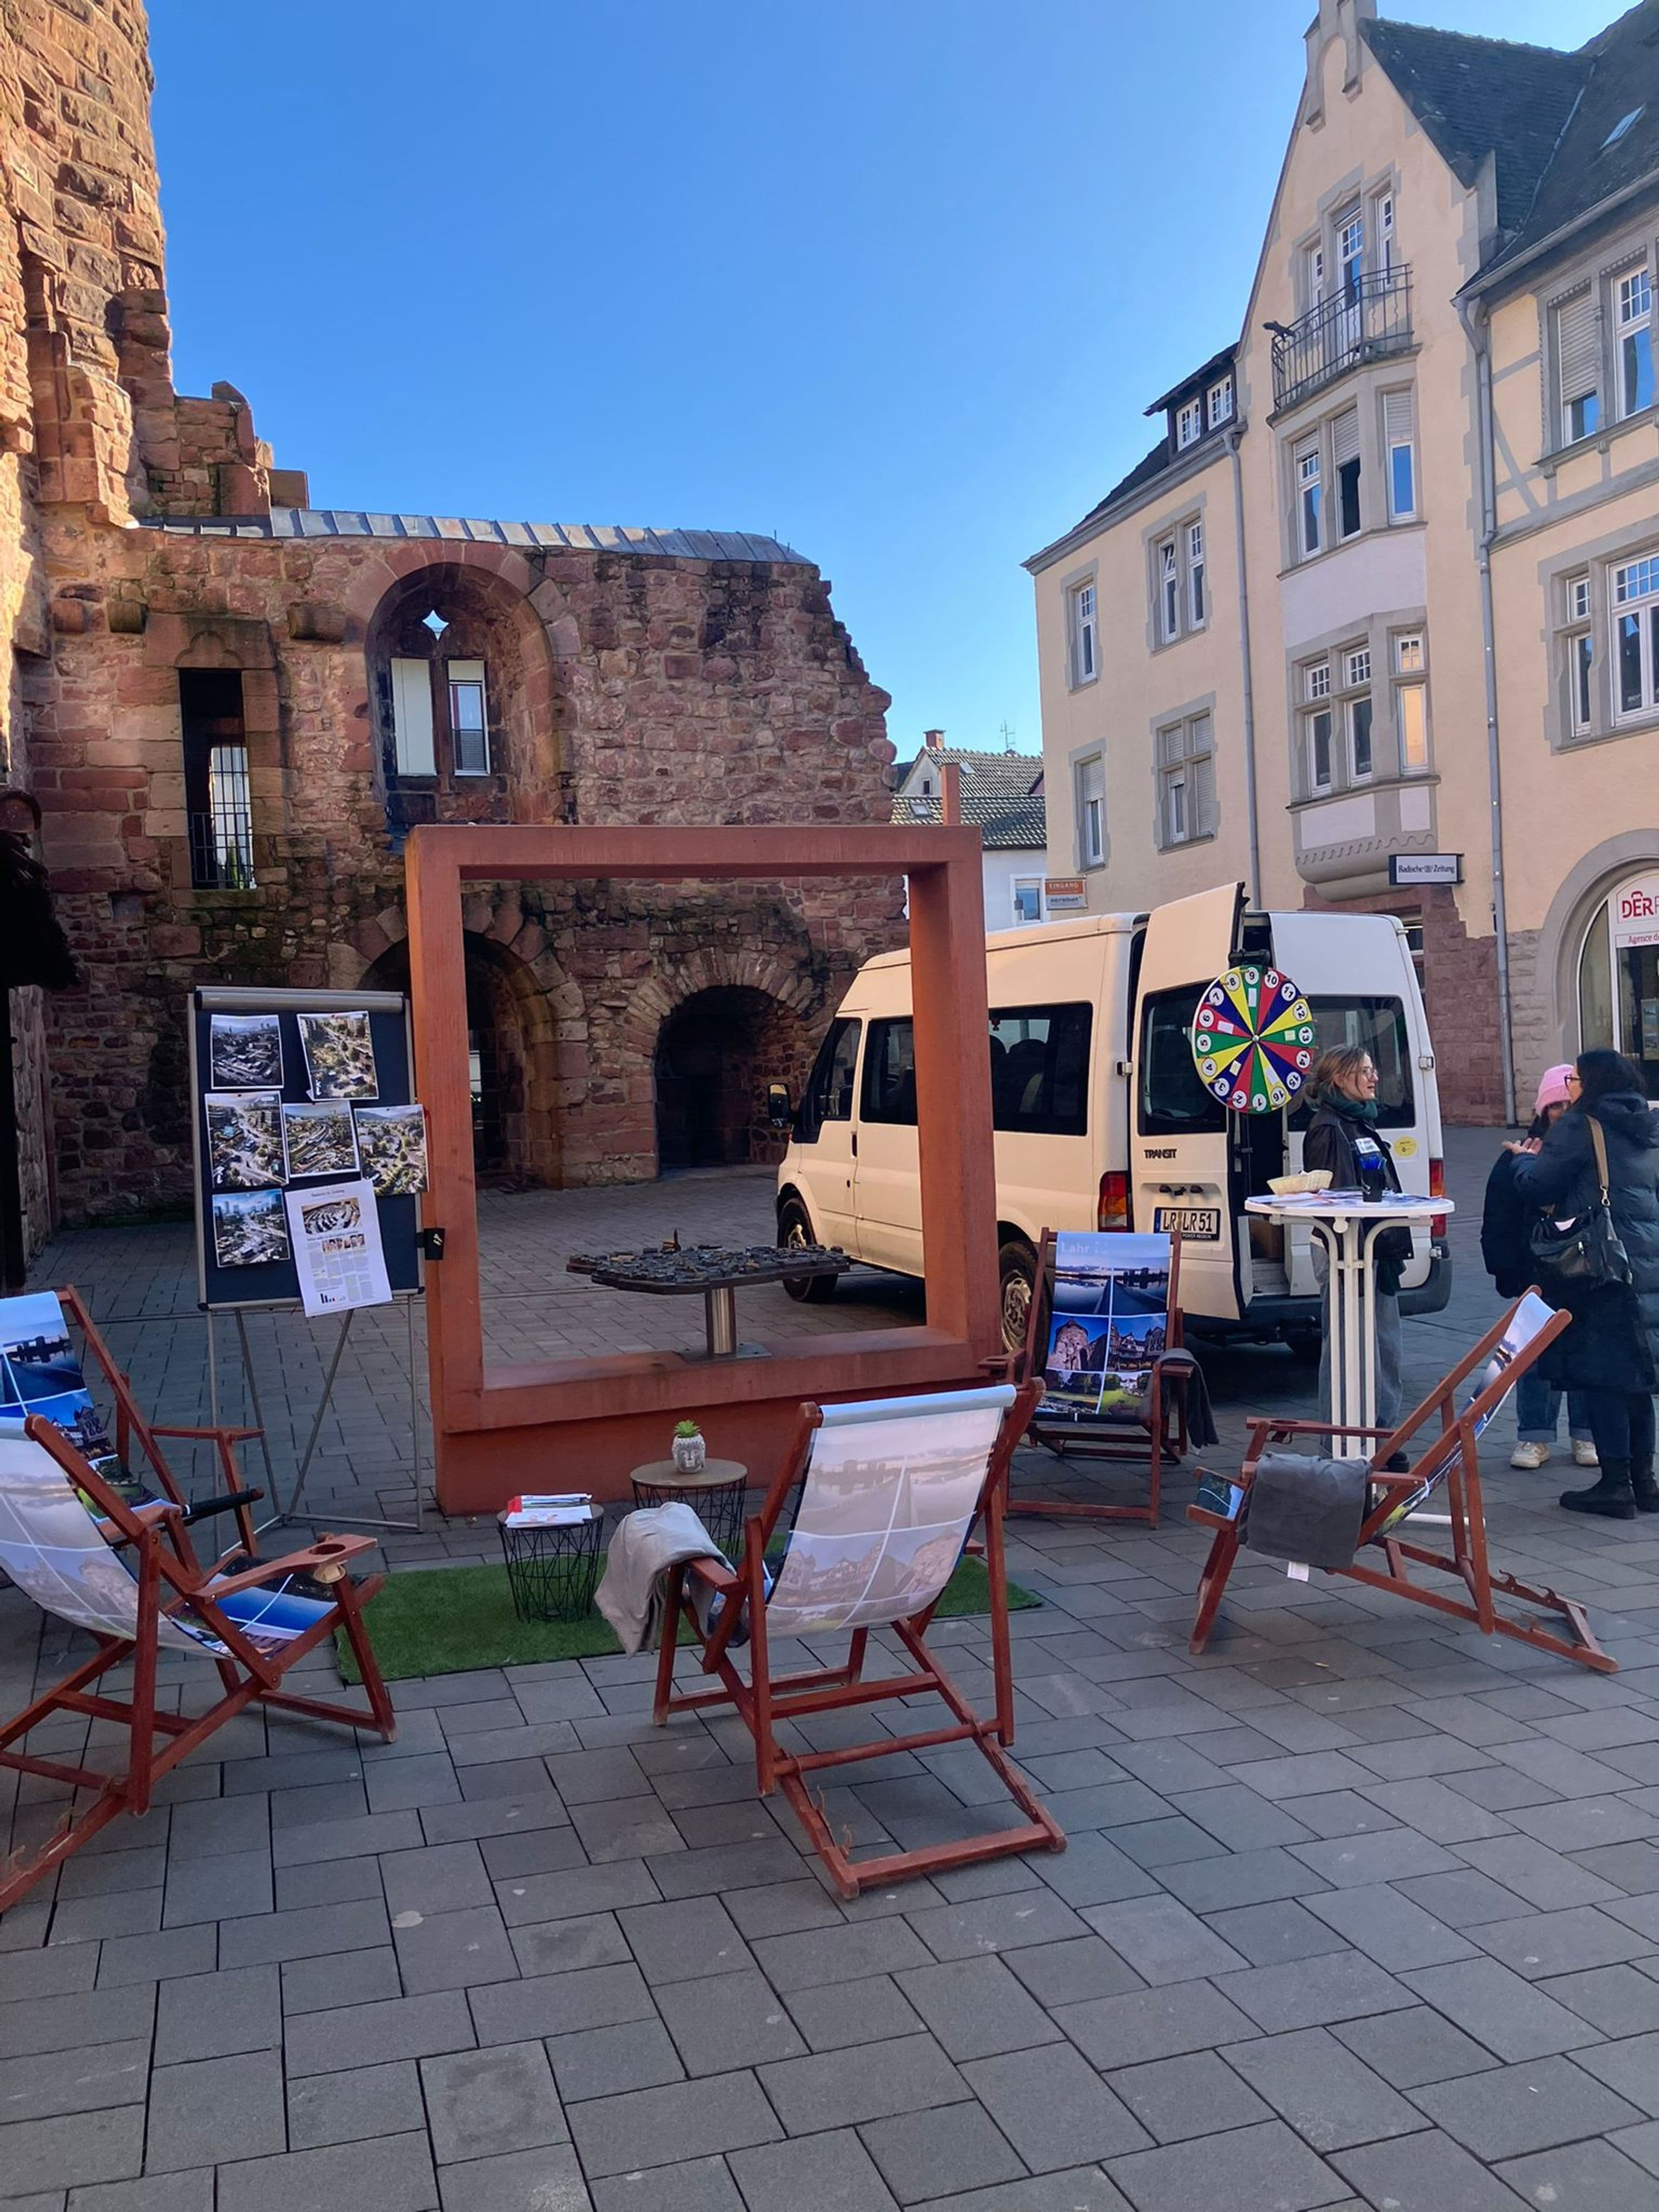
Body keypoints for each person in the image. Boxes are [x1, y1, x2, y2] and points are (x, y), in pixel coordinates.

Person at [1510, 1050, 1659, 1518]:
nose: (1569, 1085)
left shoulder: (1579, 1125)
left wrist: (1520, 1163)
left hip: (1600, 1264)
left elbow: (1540, 1187)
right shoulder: (1646, 1126)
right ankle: (1645, 1482)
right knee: (1637, 1379)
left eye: (1574, 1077)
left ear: (1590, 1082)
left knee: (1605, 1375)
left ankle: (1615, 1485)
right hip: (1646, 1260)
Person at [1480, 1063, 1598, 1471]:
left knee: (1585, 1350)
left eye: (1569, 1105)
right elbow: (1497, 1218)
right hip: (1536, 1268)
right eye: (1555, 1106)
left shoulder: (1590, 1149)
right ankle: (1534, 1436)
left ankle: (1586, 1433)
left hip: (1582, 1264)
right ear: (1543, 1111)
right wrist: (1505, 1271)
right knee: (1532, 1353)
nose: (1562, 1113)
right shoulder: (1521, 1155)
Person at [1301, 1044, 1411, 1458]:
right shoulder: (1330, 1128)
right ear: (1340, 1079)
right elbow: (1339, 1202)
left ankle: (1380, 1436)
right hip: (1350, 1255)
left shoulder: (1357, 1123)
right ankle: (1342, 1442)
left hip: (1373, 1254)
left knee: (1384, 1347)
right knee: (1348, 1348)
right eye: (1364, 1070)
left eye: (1373, 1068)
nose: (1374, 1077)